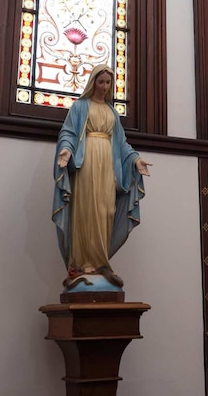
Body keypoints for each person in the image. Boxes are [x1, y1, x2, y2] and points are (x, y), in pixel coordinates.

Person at [52, 64, 152, 289]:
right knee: (86, 209)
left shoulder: (111, 112)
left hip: (108, 165)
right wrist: (66, 150)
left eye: (108, 82)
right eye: (101, 82)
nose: (105, 86)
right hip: (86, 164)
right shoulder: (80, 107)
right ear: (93, 82)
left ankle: (99, 262)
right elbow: (68, 132)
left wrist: (136, 159)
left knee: (105, 210)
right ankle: (82, 263)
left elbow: (122, 143)